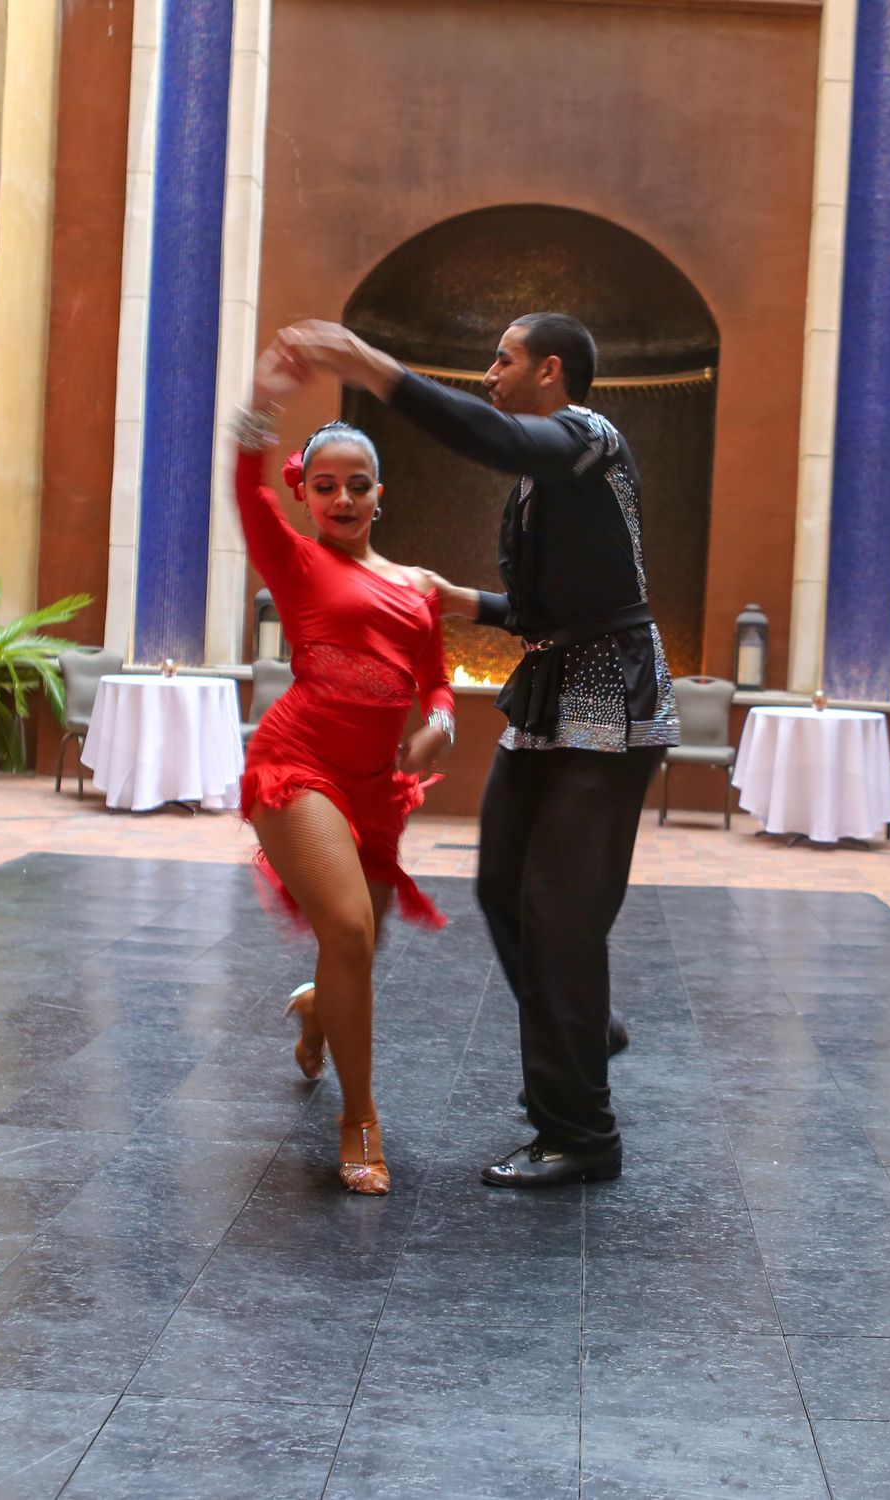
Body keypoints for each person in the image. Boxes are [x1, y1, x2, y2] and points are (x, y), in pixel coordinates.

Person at [284, 313, 676, 1189]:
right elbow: (545, 610)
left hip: (607, 699)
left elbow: (495, 438)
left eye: (501, 360)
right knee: (503, 884)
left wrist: (376, 369)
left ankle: (580, 1132)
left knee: (558, 909)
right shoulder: (543, 485)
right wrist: (459, 597)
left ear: (549, 371)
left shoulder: (587, 437)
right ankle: (586, 1024)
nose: (487, 373)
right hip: (551, 693)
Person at [232, 339, 456, 1196]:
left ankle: (316, 1017)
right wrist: (260, 399)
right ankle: (359, 1118)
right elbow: (244, 488)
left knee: (350, 947)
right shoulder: (294, 561)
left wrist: (438, 726)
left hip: (376, 789)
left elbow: (437, 685)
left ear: (379, 495)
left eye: (356, 484)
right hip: (296, 764)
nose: (341, 498)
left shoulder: (414, 589)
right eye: (323, 485)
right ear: (306, 492)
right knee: (353, 932)